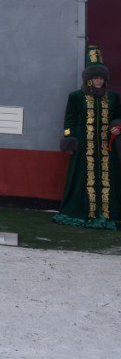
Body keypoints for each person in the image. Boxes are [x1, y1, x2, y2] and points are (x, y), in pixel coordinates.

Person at [55, 44, 121, 228]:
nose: (99, 81)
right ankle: (83, 212)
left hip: (107, 148)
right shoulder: (76, 97)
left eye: (101, 78)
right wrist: (70, 140)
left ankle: (108, 214)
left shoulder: (114, 97)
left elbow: (118, 116)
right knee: (83, 180)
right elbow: (69, 121)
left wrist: (117, 126)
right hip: (84, 147)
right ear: (89, 79)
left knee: (109, 180)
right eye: (95, 78)